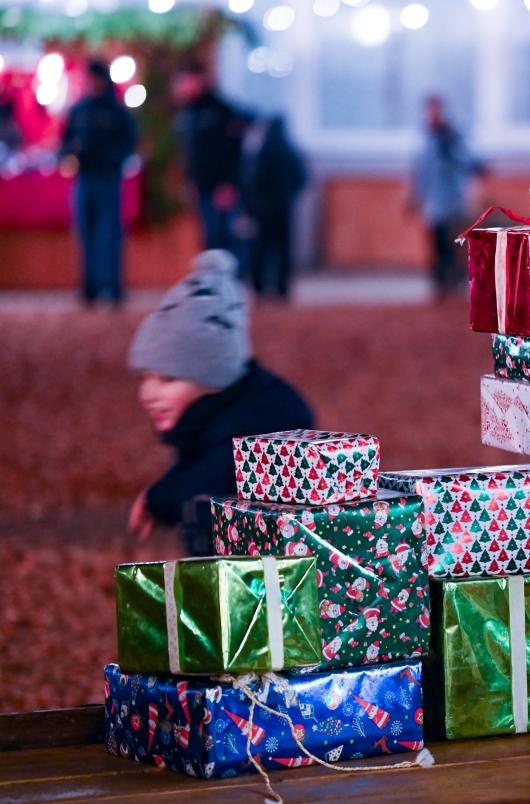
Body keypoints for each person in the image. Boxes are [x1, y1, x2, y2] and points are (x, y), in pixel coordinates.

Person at [127, 250, 313, 555]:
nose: (149, 393)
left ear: (210, 377)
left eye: (168, 379)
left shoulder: (251, 437)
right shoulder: (214, 422)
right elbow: (199, 465)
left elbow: (203, 478)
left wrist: (158, 499)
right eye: (145, 377)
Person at [60, 60, 137, 307]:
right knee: (86, 233)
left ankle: (113, 288)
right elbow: (65, 140)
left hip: (109, 179)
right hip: (85, 178)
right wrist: (71, 153)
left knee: (110, 234)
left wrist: (111, 158)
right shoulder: (79, 110)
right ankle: (90, 289)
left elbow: (129, 142)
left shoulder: (116, 112)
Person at [410, 96, 484, 301]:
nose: (433, 115)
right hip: (434, 201)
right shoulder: (426, 138)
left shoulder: (453, 138)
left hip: (453, 201)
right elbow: (420, 169)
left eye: (436, 110)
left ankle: (454, 280)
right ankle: (441, 281)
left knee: (452, 242)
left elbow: (469, 163)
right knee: (437, 241)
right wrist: (416, 195)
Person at [172, 61, 247, 253]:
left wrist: (229, 183)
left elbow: (233, 150)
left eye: (184, 81)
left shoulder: (221, 111)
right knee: (209, 240)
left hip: (221, 188)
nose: (180, 86)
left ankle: (228, 282)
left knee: (224, 241)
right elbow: (191, 154)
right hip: (202, 186)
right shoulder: (189, 113)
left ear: (199, 80)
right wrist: (190, 181)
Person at [240, 116, 307, 300]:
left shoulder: (259, 152)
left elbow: (249, 180)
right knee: (283, 249)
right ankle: (282, 288)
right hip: (283, 207)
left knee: (261, 248)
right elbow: (301, 177)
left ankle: (260, 288)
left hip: (263, 208)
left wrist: (250, 204)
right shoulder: (290, 150)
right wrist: (290, 195)